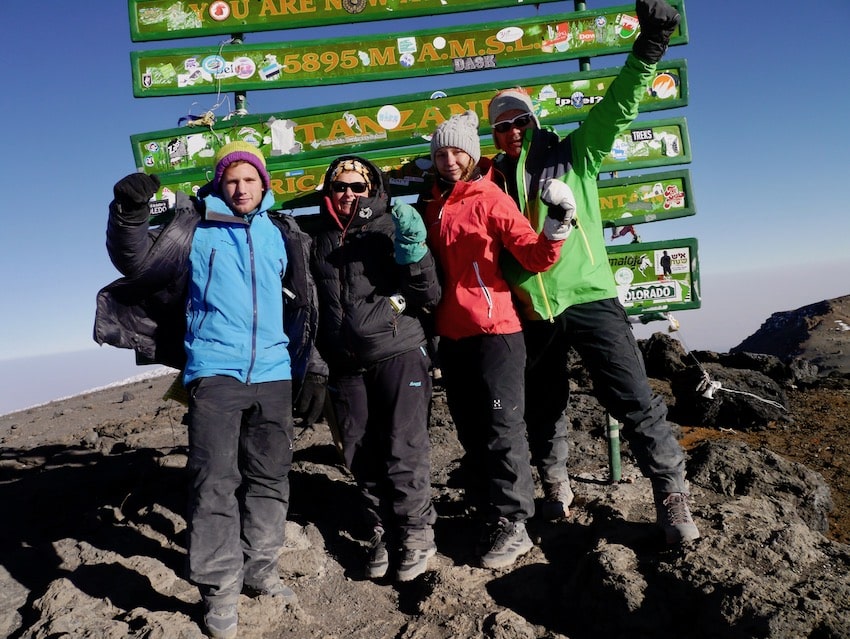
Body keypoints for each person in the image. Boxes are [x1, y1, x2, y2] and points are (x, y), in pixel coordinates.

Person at [486, 0, 701, 543]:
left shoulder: (574, 154)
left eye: (517, 120)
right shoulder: (490, 184)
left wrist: (651, 43)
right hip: (532, 309)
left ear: (532, 122)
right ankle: (556, 482)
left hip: (588, 297)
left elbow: (619, 105)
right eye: (500, 126)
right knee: (545, 406)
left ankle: (671, 494)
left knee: (633, 398)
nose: (510, 131)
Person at [94, 141, 318, 639]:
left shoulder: (283, 232)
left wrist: (312, 363)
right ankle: (219, 589)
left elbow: (306, 304)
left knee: (270, 476)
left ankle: (261, 568)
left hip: (274, 373)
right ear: (220, 184)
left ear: (264, 185)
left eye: (249, 179)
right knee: (214, 481)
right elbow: (132, 257)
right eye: (232, 179)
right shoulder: (196, 228)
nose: (241, 188)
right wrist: (128, 211)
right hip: (215, 369)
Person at [416, 111, 571, 569]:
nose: (448, 160)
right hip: (454, 334)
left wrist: (558, 225)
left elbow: (535, 255)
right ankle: (489, 509)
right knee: (471, 430)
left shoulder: (490, 198)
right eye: (440, 153)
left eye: (457, 151)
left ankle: (515, 522)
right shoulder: (433, 204)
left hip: (497, 332)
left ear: (473, 153)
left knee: (503, 430)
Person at [310, 155, 441, 582]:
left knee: (404, 446)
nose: (348, 194)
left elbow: (427, 290)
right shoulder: (317, 237)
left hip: (398, 350)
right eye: (339, 186)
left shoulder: (391, 225)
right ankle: (384, 530)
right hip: (345, 363)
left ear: (373, 189)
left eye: (357, 187)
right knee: (358, 450)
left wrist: (410, 263)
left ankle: (417, 533)